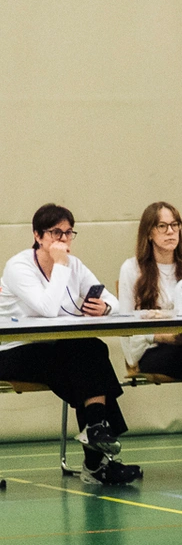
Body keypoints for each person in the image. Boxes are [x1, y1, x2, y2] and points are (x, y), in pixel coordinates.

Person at [0, 205, 141, 485]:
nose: (63, 240)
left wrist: (104, 308)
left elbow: (112, 299)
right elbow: (48, 309)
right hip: (11, 349)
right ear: (38, 236)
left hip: (52, 350)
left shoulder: (74, 265)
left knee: (88, 352)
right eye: (55, 233)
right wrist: (61, 265)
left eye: (68, 233)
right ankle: (97, 458)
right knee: (86, 354)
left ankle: (96, 430)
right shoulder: (19, 266)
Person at [117, 201, 182, 464]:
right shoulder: (132, 269)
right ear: (149, 233)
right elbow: (125, 329)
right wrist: (162, 335)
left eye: (175, 225)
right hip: (151, 350)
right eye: (162, 226)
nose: (170, 232)